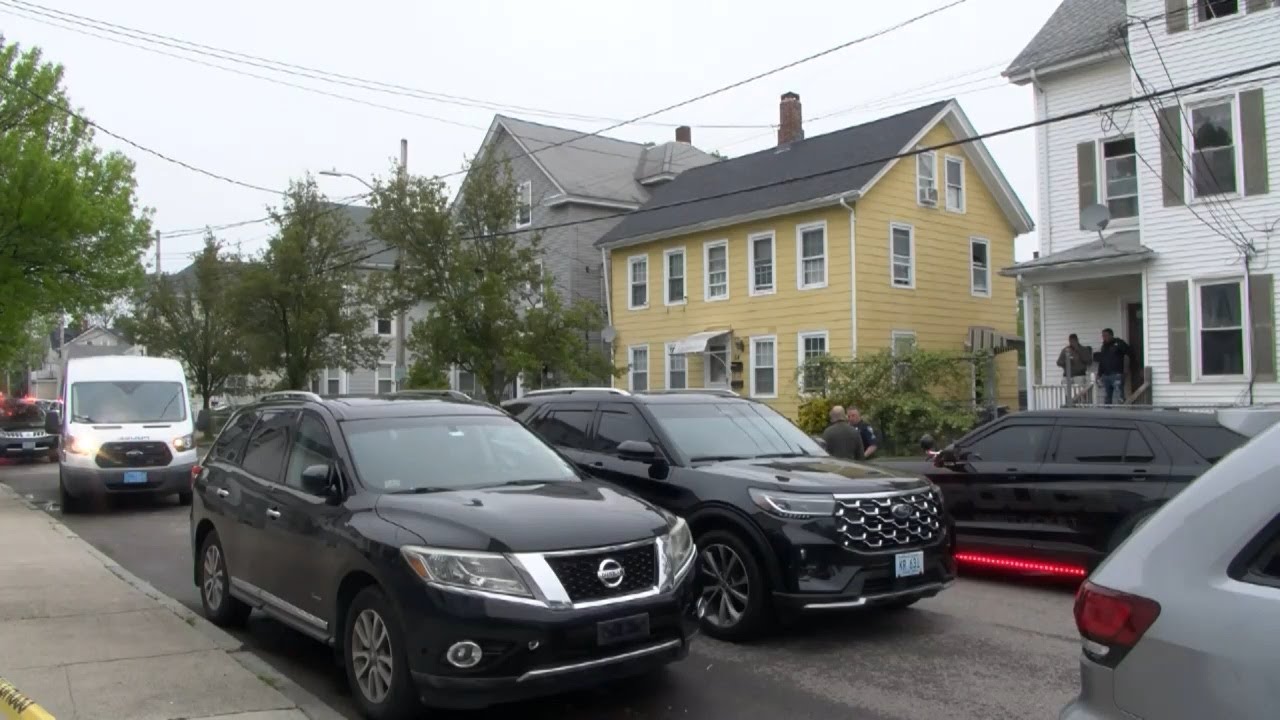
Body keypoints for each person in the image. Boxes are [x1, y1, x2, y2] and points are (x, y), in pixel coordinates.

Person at [1096, 328, 1131, 405]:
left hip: (1116, 374)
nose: (1104, 337)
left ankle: (1123, 414)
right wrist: (1099, 374)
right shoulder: (1104, 347)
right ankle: (1108, 415)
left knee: (1120, 397)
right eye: (1103, 336)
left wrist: (1126, 370)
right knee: (1107, 398)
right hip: (1106, 375)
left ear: (1111, 335)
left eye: (1106, 335)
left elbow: (1129, 354)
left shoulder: (1119, 343)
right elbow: (1102, 361)